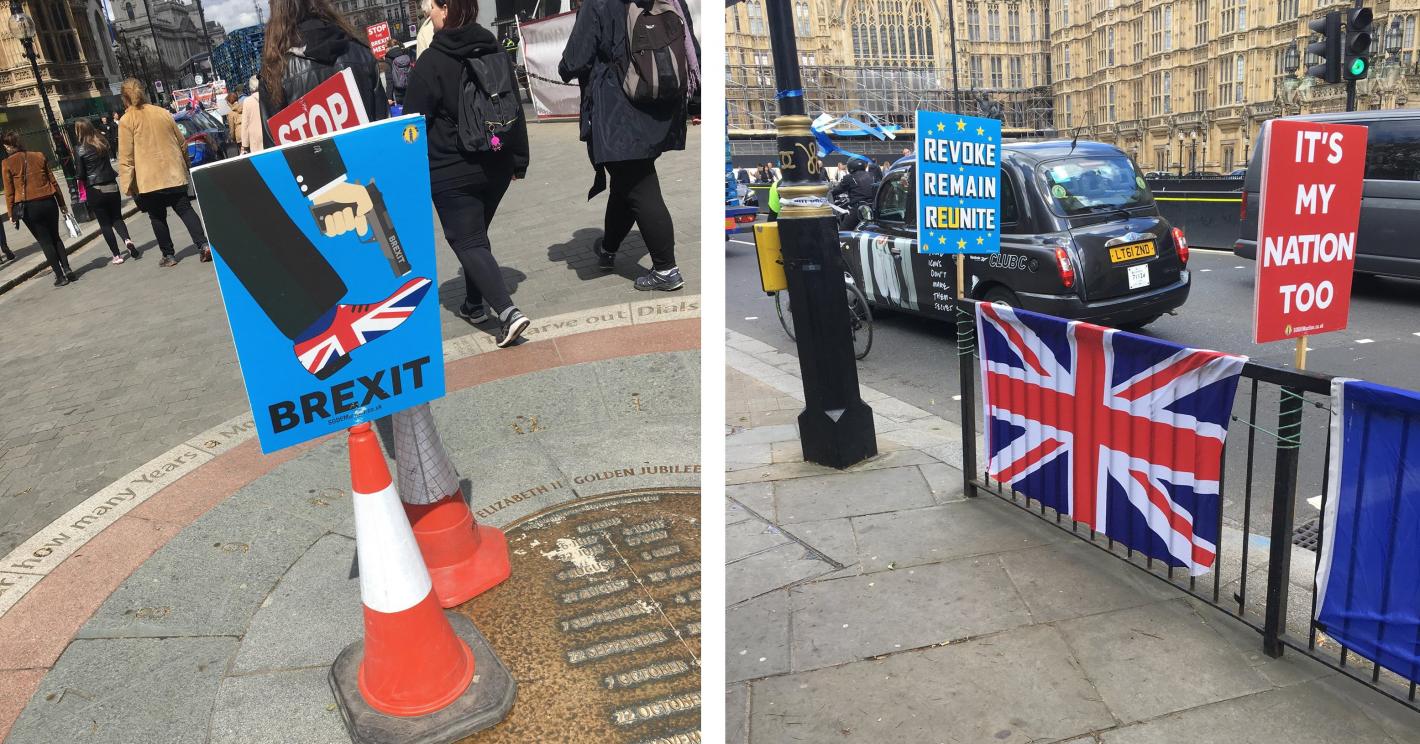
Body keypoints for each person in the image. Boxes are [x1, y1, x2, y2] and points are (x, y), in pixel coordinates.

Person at [405, 0, 533, 347]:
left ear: (445, 8)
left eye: (431, 6)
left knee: (468, 240)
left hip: (451, 168)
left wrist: (408, 174)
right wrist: (519, 159)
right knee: (477, 234)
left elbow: (411, 125)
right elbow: (515, 108)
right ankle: (475, 304)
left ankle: (508, 313)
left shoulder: (431, 62)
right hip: (497, 162)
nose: (428, 13)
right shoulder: (494, 50)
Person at [560, 0, 700, 291]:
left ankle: (666, 269)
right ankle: (609, 248)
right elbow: (690, 45)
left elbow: (576, 59)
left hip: (618, 109)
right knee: (626, 183)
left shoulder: (598, 3)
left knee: (640, 186)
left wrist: (564, 68)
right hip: (656, 103)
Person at [258, 0, 388, 149]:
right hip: (367, 164)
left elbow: (274, 155)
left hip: (313, 170)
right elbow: (383, 127)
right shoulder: (360, 52)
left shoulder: (274, 73)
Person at [117, 79, 210, 267]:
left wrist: (128, 186)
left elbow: (126, 158)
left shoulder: (127, 120)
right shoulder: (162, 113)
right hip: (173, 173)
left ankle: (168, 255)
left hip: (149, 179)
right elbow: (182, 142)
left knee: (157, 216)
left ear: (124, 98)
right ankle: (203, 244)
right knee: (185, 209)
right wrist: (185, 164)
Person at [2, 132, 75, 285]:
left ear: (8, 146)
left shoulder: (7, 164)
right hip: (49, 201)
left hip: (29, 207)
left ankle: (60, 276)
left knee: (45, 241)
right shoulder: (39, 156)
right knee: (55, 237)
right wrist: (62, 203)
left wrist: (11, 213)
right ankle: (67, 268)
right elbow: (53, 181)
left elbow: (9, 192)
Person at [74, 118, 138, 264]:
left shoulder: (79, 149)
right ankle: (127, 240)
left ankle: (117, 255)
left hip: (95, 189)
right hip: (111, 186)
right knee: (117, 218)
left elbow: (81, 174)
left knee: (105, 224)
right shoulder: (102, 143)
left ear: (79, 131)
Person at [832, 158, 876, 229]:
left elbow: (837, 190)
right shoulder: (872, 175)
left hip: (859, 209)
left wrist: (830, 193)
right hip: (873, 207)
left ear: (850, 167)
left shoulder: (849, 178)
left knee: (843, 231)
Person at [240, 76, 264, 155]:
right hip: (269, 132)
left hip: (255, 137)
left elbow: (245, 124)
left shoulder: (247, 101)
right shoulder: (267, 97)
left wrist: (245, 145)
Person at [225, 91, 243, 156]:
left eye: (227, 103)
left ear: (230, 102)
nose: (227, 104)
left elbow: (232, 130)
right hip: (248, 132)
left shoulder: (230, 113)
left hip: (240, 137)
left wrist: (232, 138)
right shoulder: (243, 107)